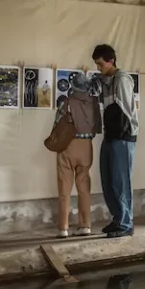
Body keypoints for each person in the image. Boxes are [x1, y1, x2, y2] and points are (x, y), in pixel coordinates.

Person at [92, 44, 138, 238]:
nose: (98, 68)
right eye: (96, 64)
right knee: (108, 179)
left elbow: (126, 111)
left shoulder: (122, 80)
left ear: (111, 61)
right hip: (110, 134)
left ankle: (126, 223)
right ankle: (117, 218)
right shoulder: (105, 80)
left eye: (100, 64)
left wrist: (122, 133)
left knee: (121, 181)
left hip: (123, 136)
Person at [54, 71, 101, 238]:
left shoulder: (66, 102)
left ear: (73, 87)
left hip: (67, 146)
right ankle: (85, 226)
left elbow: (57, 125)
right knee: (84, 188)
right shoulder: (94, 103)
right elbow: (97, 127)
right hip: (86, 147)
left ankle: (63, 228)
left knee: (64, 188)